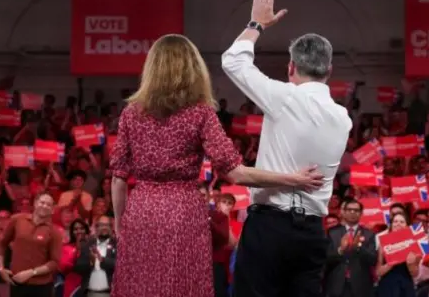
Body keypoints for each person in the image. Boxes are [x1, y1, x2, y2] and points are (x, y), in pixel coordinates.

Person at [109, 34, 326, 297]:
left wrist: (121, 224)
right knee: (183, 286)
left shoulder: (131, 113)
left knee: (140, 287)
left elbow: (118, 178)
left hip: (141, 213)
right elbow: (236, 172)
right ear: (193, 68)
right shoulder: (200, 113)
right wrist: (293, 179)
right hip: (183, 213)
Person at [222, 0, 353, 297]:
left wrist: (256, 25)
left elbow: (233, 62)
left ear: (291, 67)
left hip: (270, 227)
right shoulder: (343, 118)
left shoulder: (284, 98)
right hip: (311, 234)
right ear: (329, 70)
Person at [0, 191, 62, 297]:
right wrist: (0, 268)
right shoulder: (17, 220)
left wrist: (31, 273)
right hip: (17, 283)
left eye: (48, 204)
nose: (44, 206)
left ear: (52, 210)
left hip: (41, 286)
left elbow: (54, 263)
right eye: (42, 202)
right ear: (35, 203)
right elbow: (2, 244)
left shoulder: (55, 232)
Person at [324, 198, 377, 297]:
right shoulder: (333, 232)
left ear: (361, 213)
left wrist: (358, 247)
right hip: (337, 285)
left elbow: (373, 259)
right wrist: (340, 250)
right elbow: (326, 258)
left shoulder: (369, 234)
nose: (352, 212)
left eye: (356, 210)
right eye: (349, 209)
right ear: (343, 212)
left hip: (360, 286)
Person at [375, 212, 419, 297]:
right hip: (387, 287)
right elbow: (378, 272)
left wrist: (411, 264)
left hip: (405, 286)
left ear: (407, 226)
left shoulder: (413, 243)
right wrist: (391, 263)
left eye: (402, 222)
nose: (398, 223)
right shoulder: (383, 243)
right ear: (391, 225)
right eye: (395, 221)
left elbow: (415, 274)